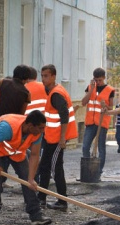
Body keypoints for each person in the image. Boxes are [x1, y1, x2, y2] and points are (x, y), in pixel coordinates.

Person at [0, 110, 51, 225]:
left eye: (43, 128)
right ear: (30, 126)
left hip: (17, 153)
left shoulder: (37, 133)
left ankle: (36, 215)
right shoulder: (8, 128)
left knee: (28, 181)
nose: (42, 131)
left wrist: (31, 178)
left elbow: (34, 155)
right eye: (40, 128)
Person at [37, 64, 78, 211]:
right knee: (44, 167)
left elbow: (64, 116)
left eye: (46, 76)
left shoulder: (56, 94)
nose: (43, 79)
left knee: (55, 168)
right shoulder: (53, 91)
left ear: (53, 76)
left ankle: (62, 201)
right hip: (50, 137)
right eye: (42, 76)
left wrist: (62, 139)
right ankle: (41, 198)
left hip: (56, 139)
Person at [81, 67, 115, 175]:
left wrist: (106, 108)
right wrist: (91, 90)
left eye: (100, 80)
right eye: (96, 80)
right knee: (85, 146)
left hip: (102, 123)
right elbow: (83, 102)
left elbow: (111, 107)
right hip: (90, 123)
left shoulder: (110, 90)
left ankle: (98, 171)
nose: (98, 82)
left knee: (101, 147)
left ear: (104, 78)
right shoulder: (90, 87)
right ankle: (87, 170)